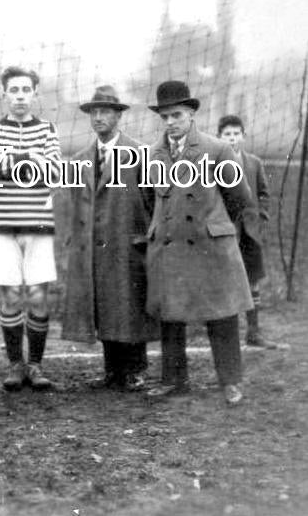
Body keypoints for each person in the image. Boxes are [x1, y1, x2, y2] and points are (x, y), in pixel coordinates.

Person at [144, 81, 253, 405]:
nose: (170, 122)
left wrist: (213, 225)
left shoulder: (217, 149)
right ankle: (174, 379)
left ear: (191, 113)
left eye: (176, 114)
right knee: (171, 313)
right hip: (170, 243)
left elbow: (239, 198)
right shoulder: (153, 154)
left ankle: (230, 381)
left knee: (221, 313)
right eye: (164, 116)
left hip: (209, 246)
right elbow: (151, 200)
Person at [61, 85, 158, 391]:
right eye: (94, 112)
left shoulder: (140, 155)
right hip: (94, 246)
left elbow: (154, 200)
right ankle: (112, 370)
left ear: (118, 115)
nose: (99, 117)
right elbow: (74, 203)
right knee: (104, 305)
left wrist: (145, 236)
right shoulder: (79, 159)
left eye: (105, 111)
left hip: (127, 243)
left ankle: (135, 369)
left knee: (128, 305)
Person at [0, 66, 61, 391]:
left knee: (38, 295)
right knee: (11, 295)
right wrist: (32, 159)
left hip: (39, 224)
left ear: (35, 94)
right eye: (14, 90)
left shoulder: (47, 129)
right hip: (3, 224)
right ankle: (16, 364)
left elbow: (54, 171)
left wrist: (13, 159)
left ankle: (36, 365)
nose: (20, 96)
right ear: (4, 94)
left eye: (26, 90)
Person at [218, 114, 278, 349]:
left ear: (243, 136)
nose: (232, 138)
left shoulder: (253, 162)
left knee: (253, 280)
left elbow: (264, 193)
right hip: (227, 232)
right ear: (219, 136)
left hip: (250, 232)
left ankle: (254, 331)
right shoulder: (213, 162)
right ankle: (226, 335)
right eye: (227, 134)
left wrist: (261, 217)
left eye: (235, 134)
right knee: (228, 281)